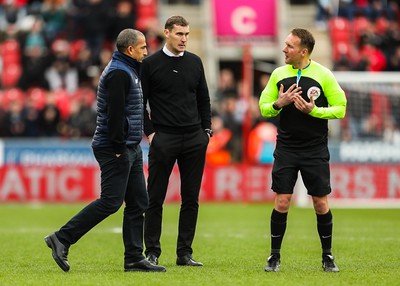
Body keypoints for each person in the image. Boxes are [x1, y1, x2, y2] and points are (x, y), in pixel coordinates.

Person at [44, 28, 166, 273]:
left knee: (138, 202)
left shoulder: (128, 69)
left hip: (129, 146)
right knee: (111, 202)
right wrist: (119, 146)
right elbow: (115, 114)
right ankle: (62, 238)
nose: (146, 50)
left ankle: (133, 258)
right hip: (116, 147)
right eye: (142, 47)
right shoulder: (119, 74)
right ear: (130, 49)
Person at [259, 28, 347, 273]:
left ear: (303, 51)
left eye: (289, 46)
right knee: (283, 201)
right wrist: (280, 103)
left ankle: (327, 256)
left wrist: (314, 111)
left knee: (320, 203)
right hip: (286, 147)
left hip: (315, 149)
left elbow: (340, 108)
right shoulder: (278, 74)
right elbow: (264, 107)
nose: (284, 49)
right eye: (285, 44)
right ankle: (274, 256)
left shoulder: (323, 75)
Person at [141, 15, 211, 268]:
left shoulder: (195, 62)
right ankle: (152, 252)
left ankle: (184, 253)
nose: (184, 39)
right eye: (180, 34)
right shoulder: (150, 64)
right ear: (167, 33)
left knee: (191, 198)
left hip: (194, 137)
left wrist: (207, 131)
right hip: (164, 137)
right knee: (155, 198)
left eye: (187, 34)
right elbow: (140, 103)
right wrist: (150, 134)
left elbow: (203, 98)